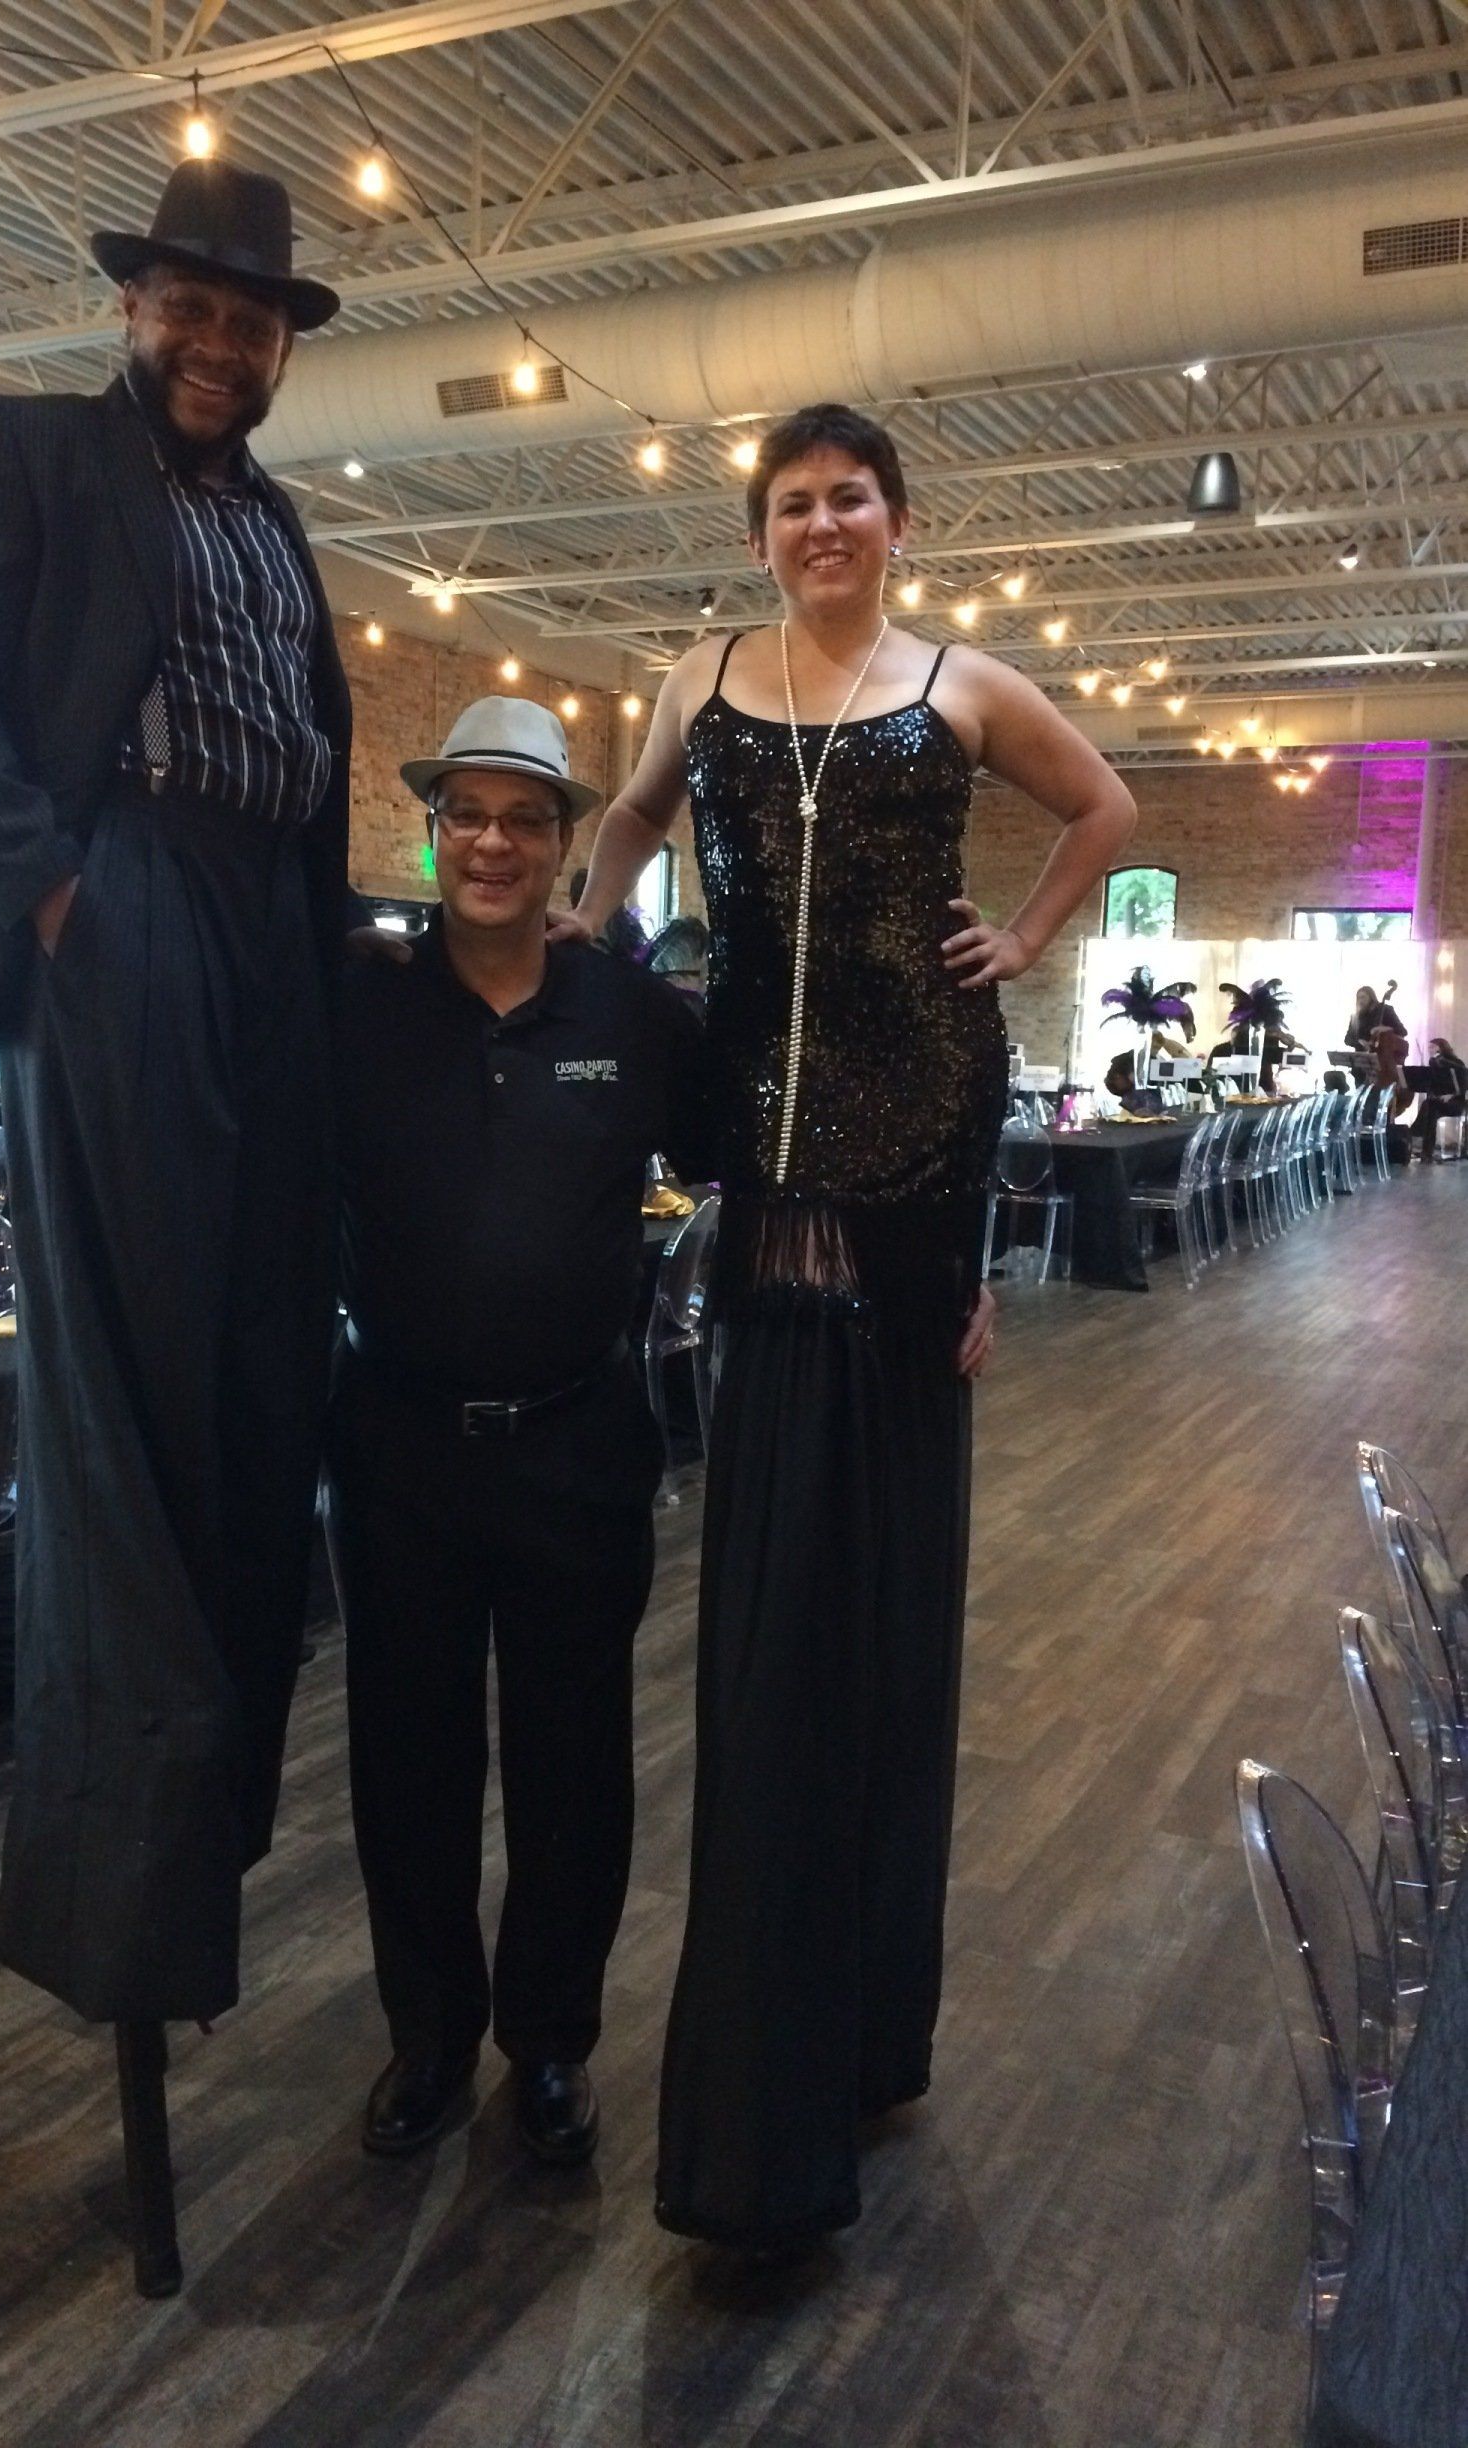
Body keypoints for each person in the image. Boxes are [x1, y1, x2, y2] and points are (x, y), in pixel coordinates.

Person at [560, 401, 1134, 2251]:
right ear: (761, 532)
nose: (824, 523)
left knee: (884, 1617)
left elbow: (1106, 807)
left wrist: (1025, 940)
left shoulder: (960, 685)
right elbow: (629, 821)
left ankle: (870, 2026)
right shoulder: (701, 679)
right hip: (761, 1171)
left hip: (921, 1161)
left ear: (898, 521)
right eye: (795, 502)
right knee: (773, 1625)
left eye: (851, 498)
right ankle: (775, 2070)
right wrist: (588, 943)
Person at [0, 162, 351, 2230]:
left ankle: (203, 1840)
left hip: (268, 940)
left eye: (251, 319)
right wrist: (61, 894)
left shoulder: (279, 522)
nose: (220, 342)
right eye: (194, 304)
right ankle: (126, 1891)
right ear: (136, 306)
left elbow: (310, 758)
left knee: (260, 1402)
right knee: (140, 1419)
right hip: (126, 900)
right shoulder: (29, 450)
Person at [332, 698, 707, 2169]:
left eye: (524, 819)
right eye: (468, 817)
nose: (493, 844)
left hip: (578, 1445)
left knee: (574, 1767)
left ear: (564, 845)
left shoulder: (633, 1018)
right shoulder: (356, 1003)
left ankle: (549, 2043)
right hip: (401, 1448)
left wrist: (945, 1278)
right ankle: (427, 2038)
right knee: (406, 1762)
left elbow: (758, 1156)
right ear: (434, 834)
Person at [1413, 1035, 1467, 1162]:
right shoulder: (1434, 1065)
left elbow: (1464, 1085)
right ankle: (1426, 1151)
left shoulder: (1457, 1064)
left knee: (1430, 1106)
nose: (1429, 1050)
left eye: (1432, 1047)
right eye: (1429, 1048)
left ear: (1441, 1048)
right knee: (1430, 1106)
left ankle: (1419, 1140)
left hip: (1456, 1103)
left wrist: (1450, 1095)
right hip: (1439, 1103)